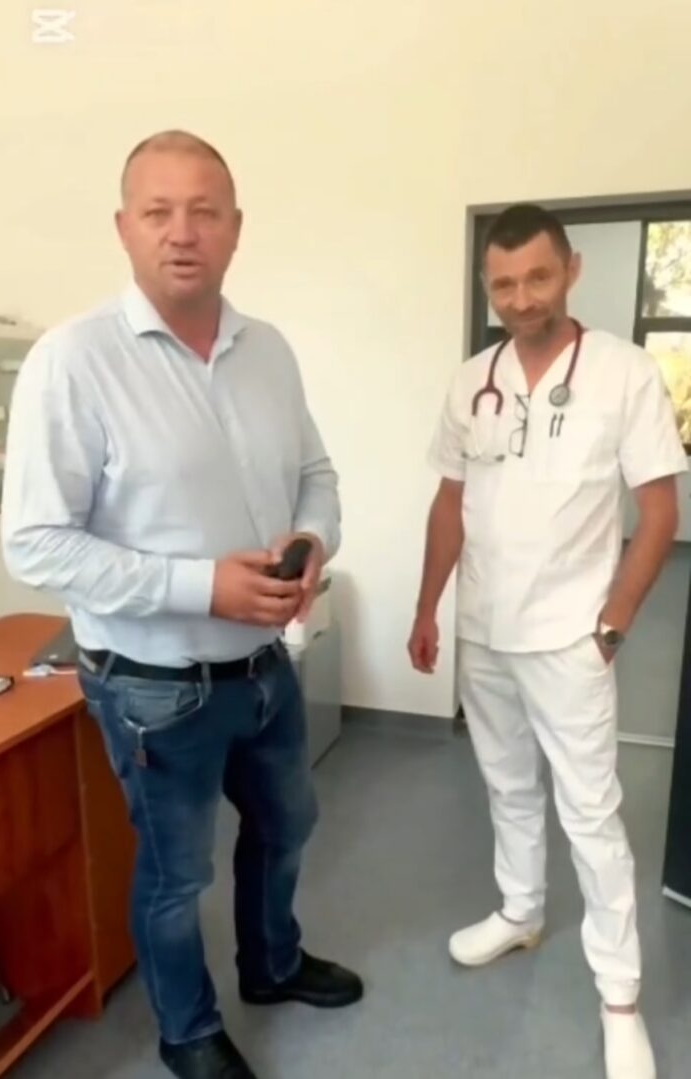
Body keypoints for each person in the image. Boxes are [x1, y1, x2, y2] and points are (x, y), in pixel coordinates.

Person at [1, 130, 362, 1079]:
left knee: (287, 825)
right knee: (176, 875)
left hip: (266, 667)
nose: (182, 231)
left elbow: (317, 474)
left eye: (204, 211)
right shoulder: (72, 361)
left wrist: (313, 540)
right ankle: (187, 1030)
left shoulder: (267, 349)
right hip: (154, 687)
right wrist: (203, 584)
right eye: (157, 211)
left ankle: (272, 965)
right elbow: (33, 540)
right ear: (124, 228)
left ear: (236, 228)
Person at [408, 203, 687, 1079]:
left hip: (571, 636)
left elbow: (659, 511)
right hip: (485, 627)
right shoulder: (472, 379)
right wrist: (428, 608)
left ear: (570, 269)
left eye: (536, 276)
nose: (521, 297)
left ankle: (620, 998)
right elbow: (450, 502)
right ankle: (520, 910)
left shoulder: (623, 373)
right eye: (503, 283)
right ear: (487, 286)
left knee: (591, 813)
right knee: (506, 783)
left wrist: (613, 623)